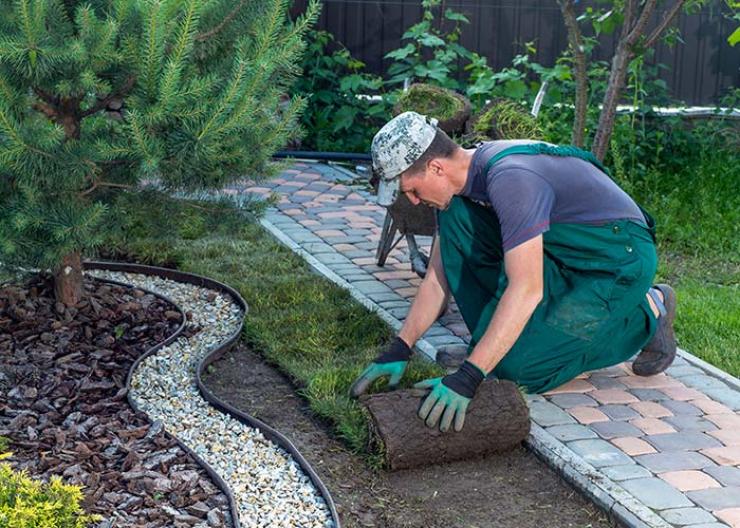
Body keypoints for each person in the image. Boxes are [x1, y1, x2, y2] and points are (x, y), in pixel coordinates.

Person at [349, 111, 677, 433]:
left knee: (518, 370)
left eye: (412, 190)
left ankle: (648, 311)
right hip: (564, 253)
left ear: (436, 167)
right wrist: (401, 345)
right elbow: (438, 277)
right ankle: (509, 338)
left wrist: (469, 376)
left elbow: (526, 289)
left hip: (615, 263)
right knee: (457, 221)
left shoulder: (511, 179)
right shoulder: (463, 184)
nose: (414, 202)